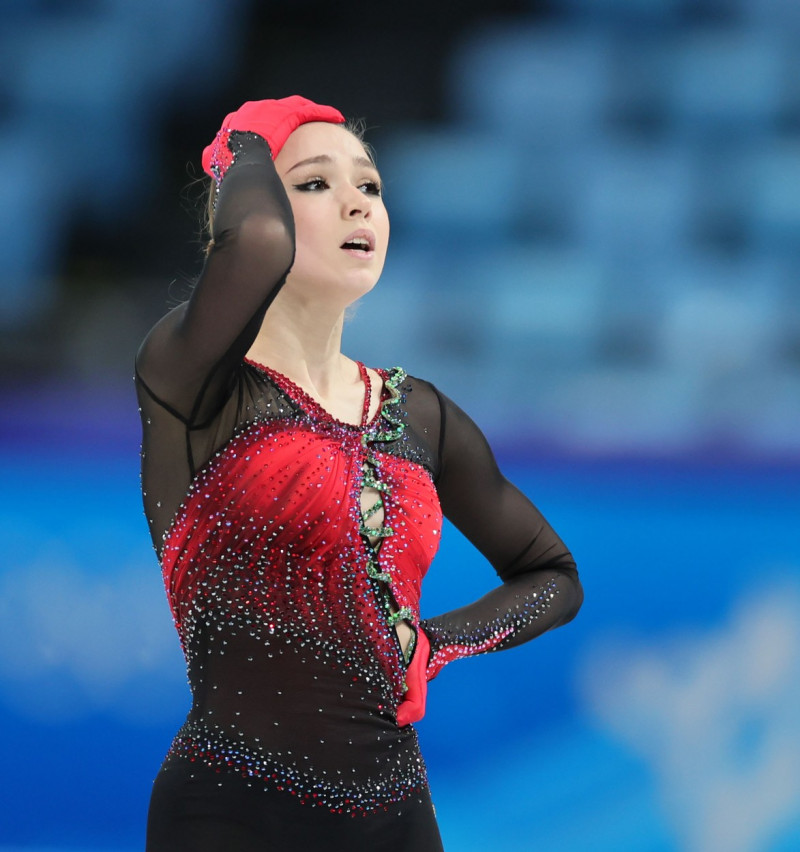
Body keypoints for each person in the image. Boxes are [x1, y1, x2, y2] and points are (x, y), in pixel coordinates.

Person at [136, 95, 583, 852]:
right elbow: (256, 241)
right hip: (228, 814)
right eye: (315, 183)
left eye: (369, 187)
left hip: (395, 817)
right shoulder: (196, 387)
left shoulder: (422, 417)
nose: (356, 203)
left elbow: (553, 575)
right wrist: (245, 137)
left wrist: (436, 643)